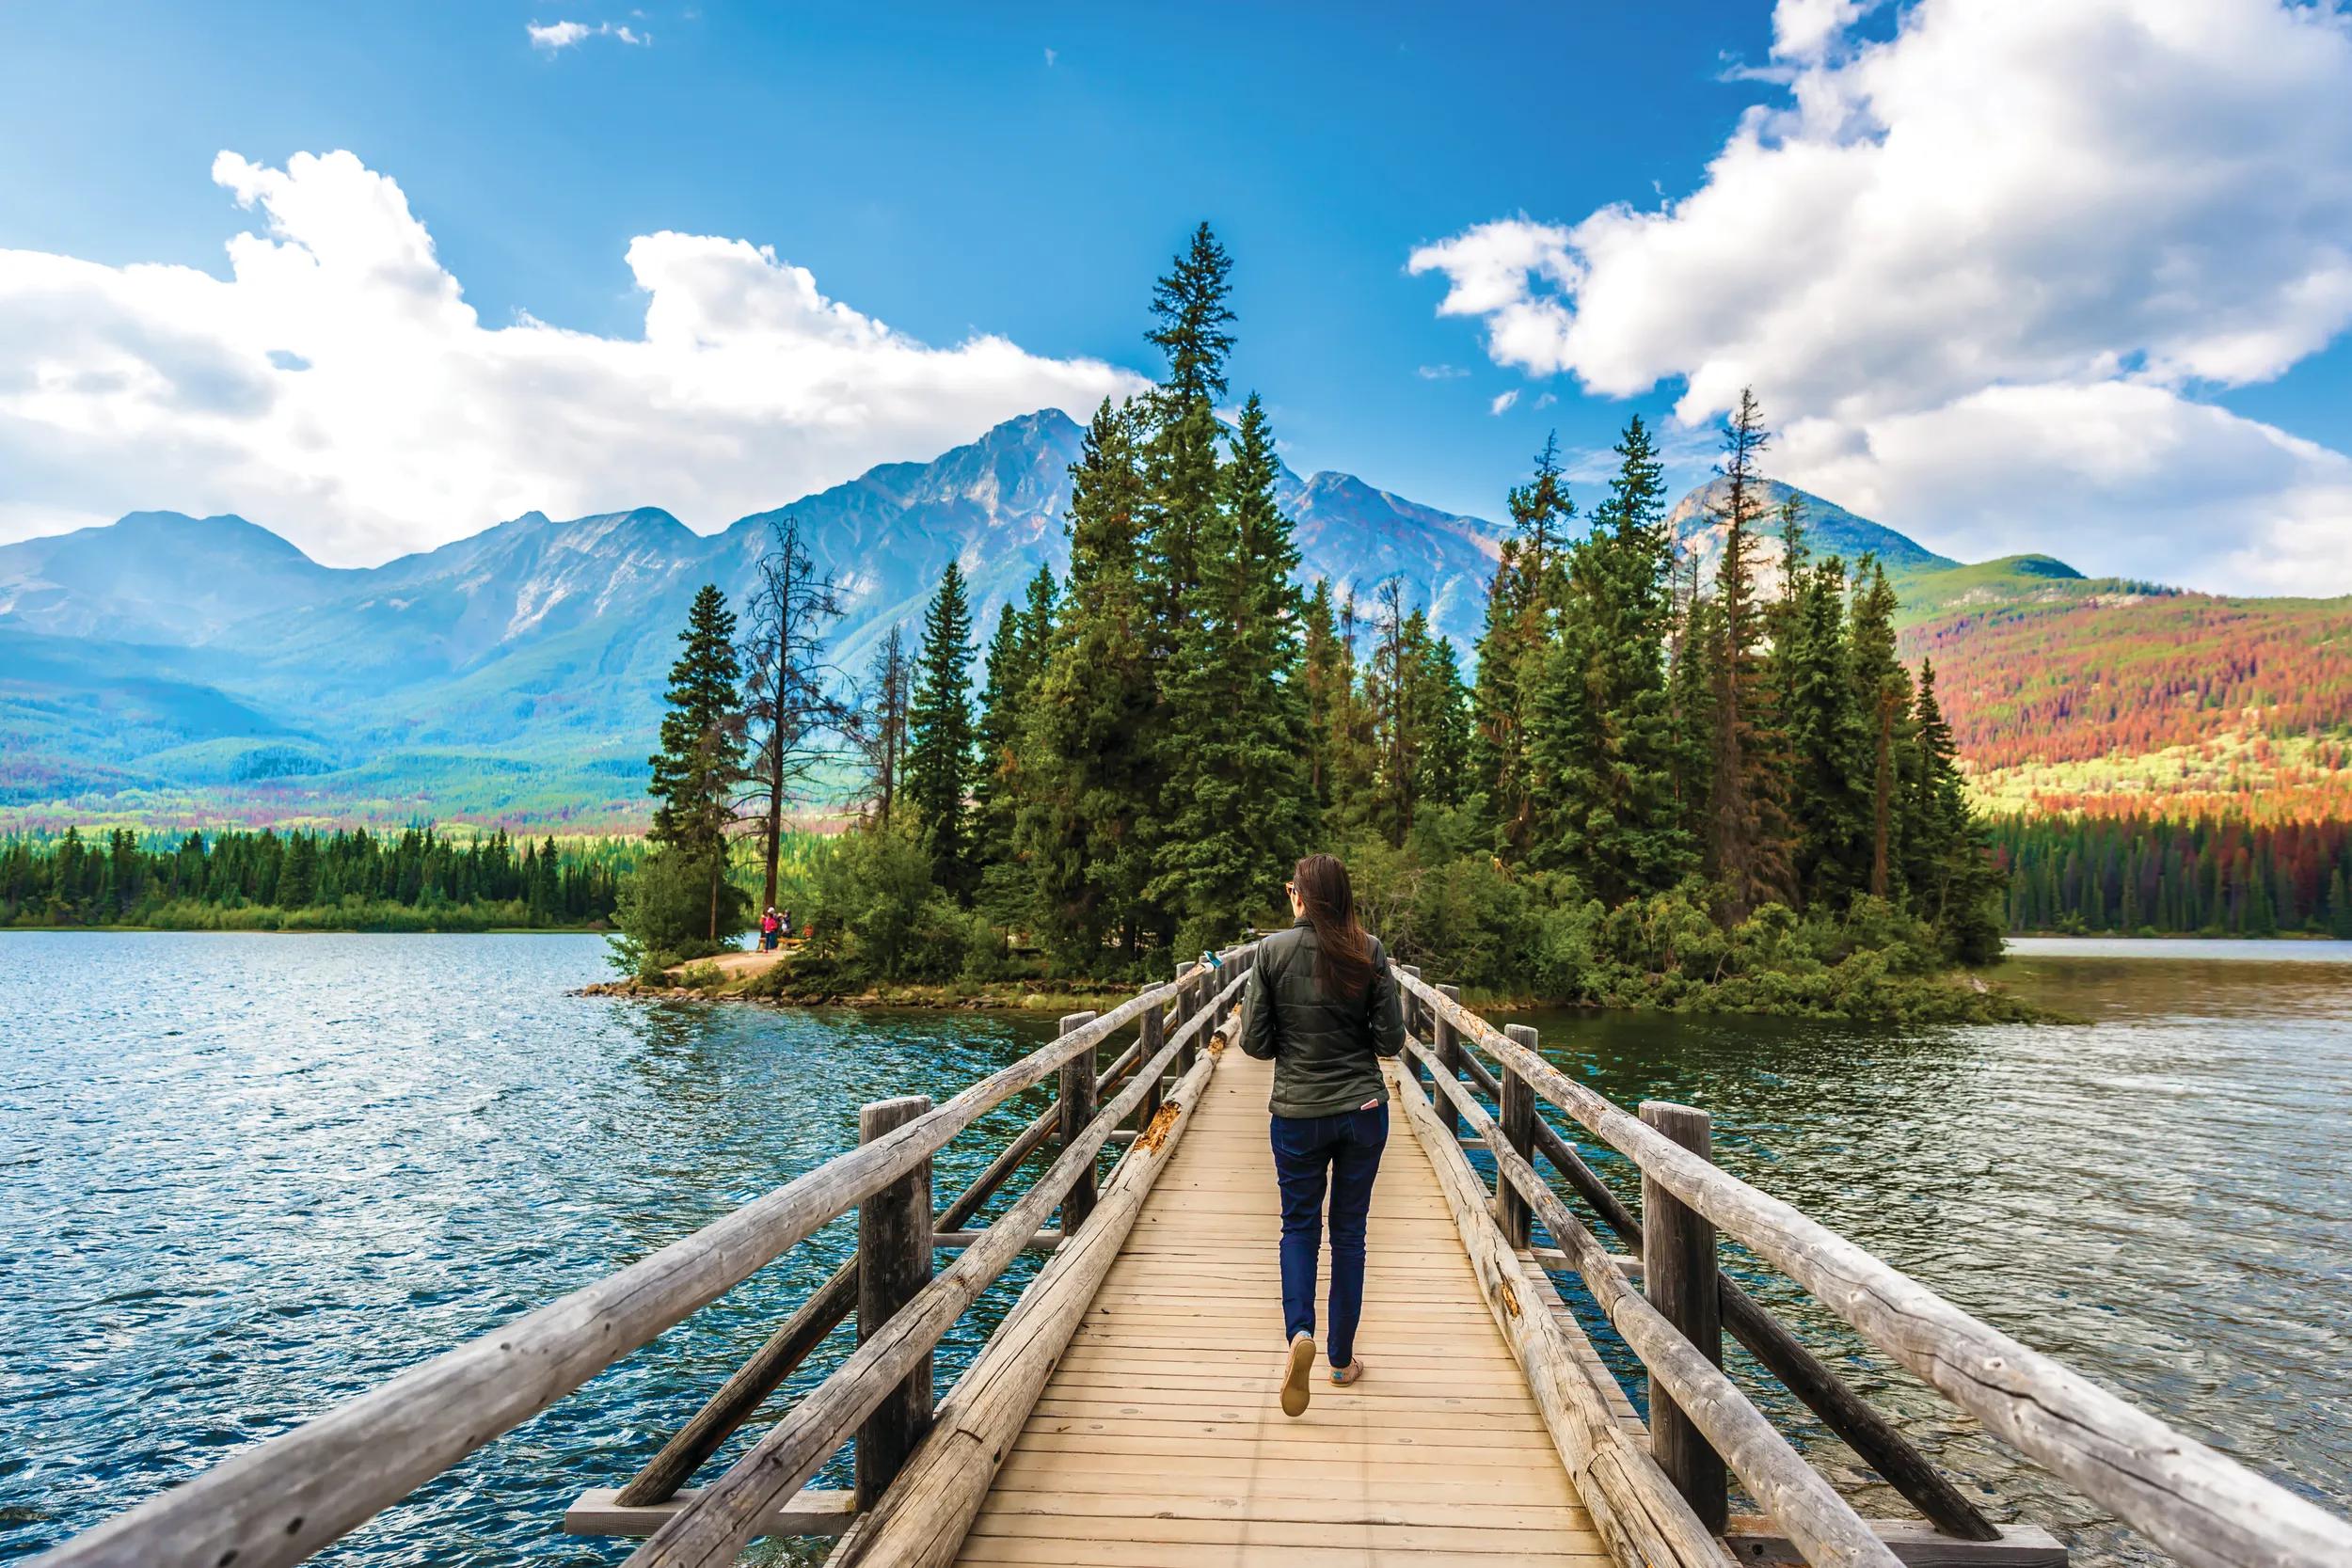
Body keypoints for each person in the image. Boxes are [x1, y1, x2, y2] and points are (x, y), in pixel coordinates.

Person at [1241, 852, 1405, 1418]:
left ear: (1301, 897)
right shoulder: (1369, 950)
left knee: (1299, 1225)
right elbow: (1390, 1040)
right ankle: (1340, 1360)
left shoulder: (1271, 952)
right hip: (1361, 1111)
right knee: (1351, 1232)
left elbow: (1254, 1044)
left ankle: (1298, 1334)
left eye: (1292, 890)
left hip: (1296, 1115)